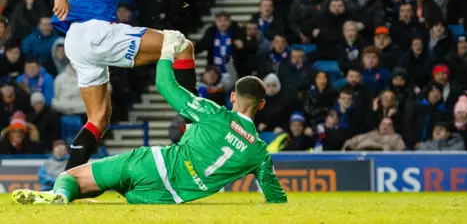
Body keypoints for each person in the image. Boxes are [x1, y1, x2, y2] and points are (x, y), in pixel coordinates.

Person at [13, 31, 287, 205]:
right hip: (165, 197)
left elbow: (167, 87)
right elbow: (275, 198)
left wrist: (166, 52)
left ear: (232, 98)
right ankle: (71, 196)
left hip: (151, 164)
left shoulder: (214, 114)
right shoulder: (259, 152)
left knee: (72, 177)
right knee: (106, 186)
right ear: (262, 105)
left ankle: (59, 195)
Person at [44, 0, 197, 170]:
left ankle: (65, 183)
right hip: (96, 31)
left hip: (77, 40)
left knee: (99, 118)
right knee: (180, 45)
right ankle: (195, 128)